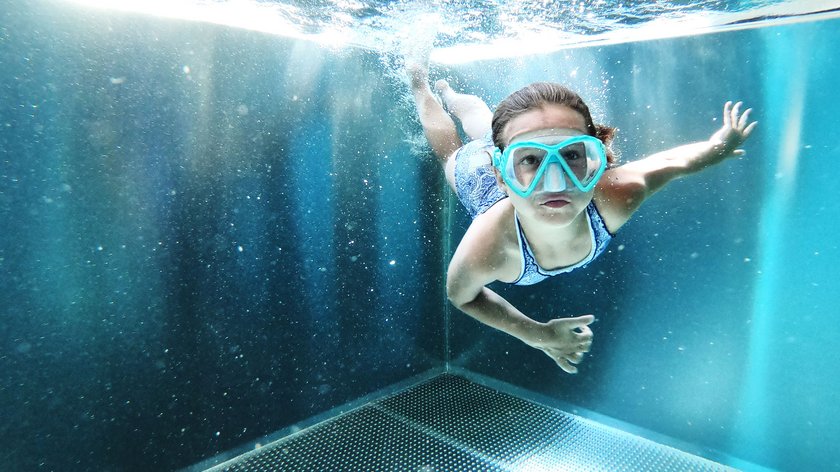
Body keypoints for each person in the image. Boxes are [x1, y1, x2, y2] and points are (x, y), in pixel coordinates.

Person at [408, 64, 757, 374]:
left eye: (573, 154)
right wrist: (535, 333)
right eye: (531, 159)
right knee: (454, 152)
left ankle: (452, 95)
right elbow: (461, 296)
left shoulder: (617, 196)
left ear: (597, 159)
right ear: (502, 175)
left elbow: (675, 162)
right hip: (478, 182)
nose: (555, 181)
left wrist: (717, 148)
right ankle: (422, 85)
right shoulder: (489, 242)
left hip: (509, 161)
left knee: (488, 127)